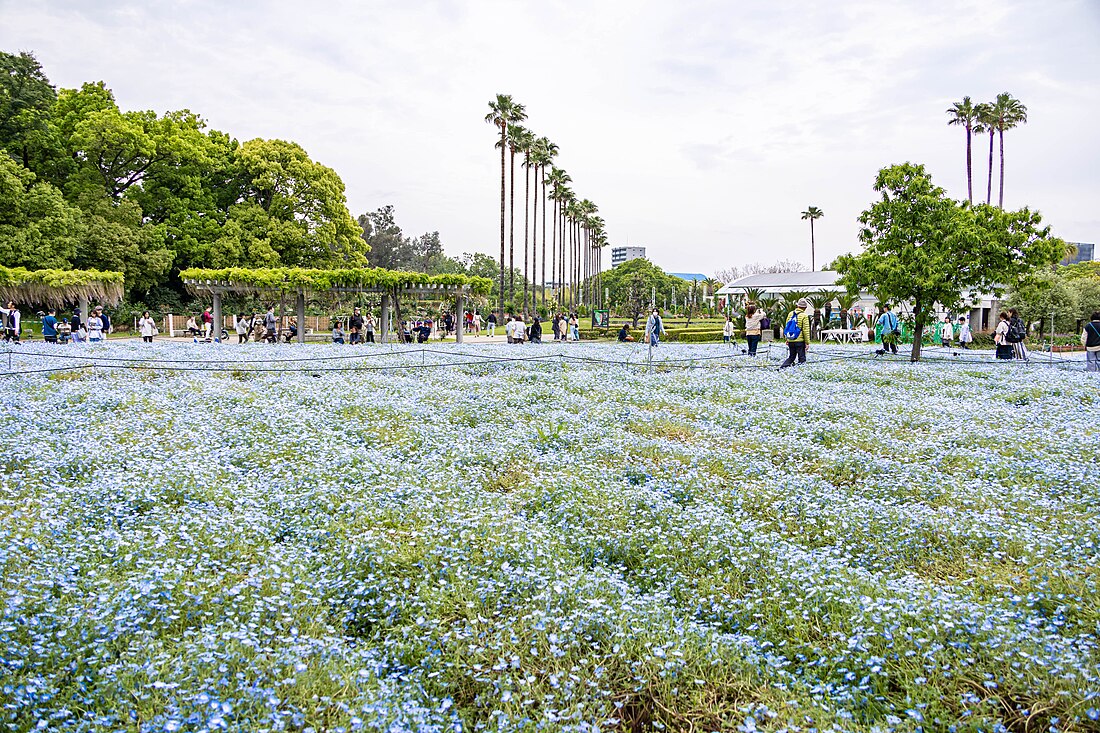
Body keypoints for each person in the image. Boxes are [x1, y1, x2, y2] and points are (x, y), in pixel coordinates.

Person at [779, 298, 811, 368]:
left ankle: (782, 368)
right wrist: (807, 342)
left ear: (797, 306)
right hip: (799, 340)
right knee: (802, 358)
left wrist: (787, 339)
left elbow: (787, 327)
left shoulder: (790, 314)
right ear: (805, 307)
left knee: (791, 357)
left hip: (791, 339)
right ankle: (801, 371)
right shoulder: (804, 316)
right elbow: (805, 330)